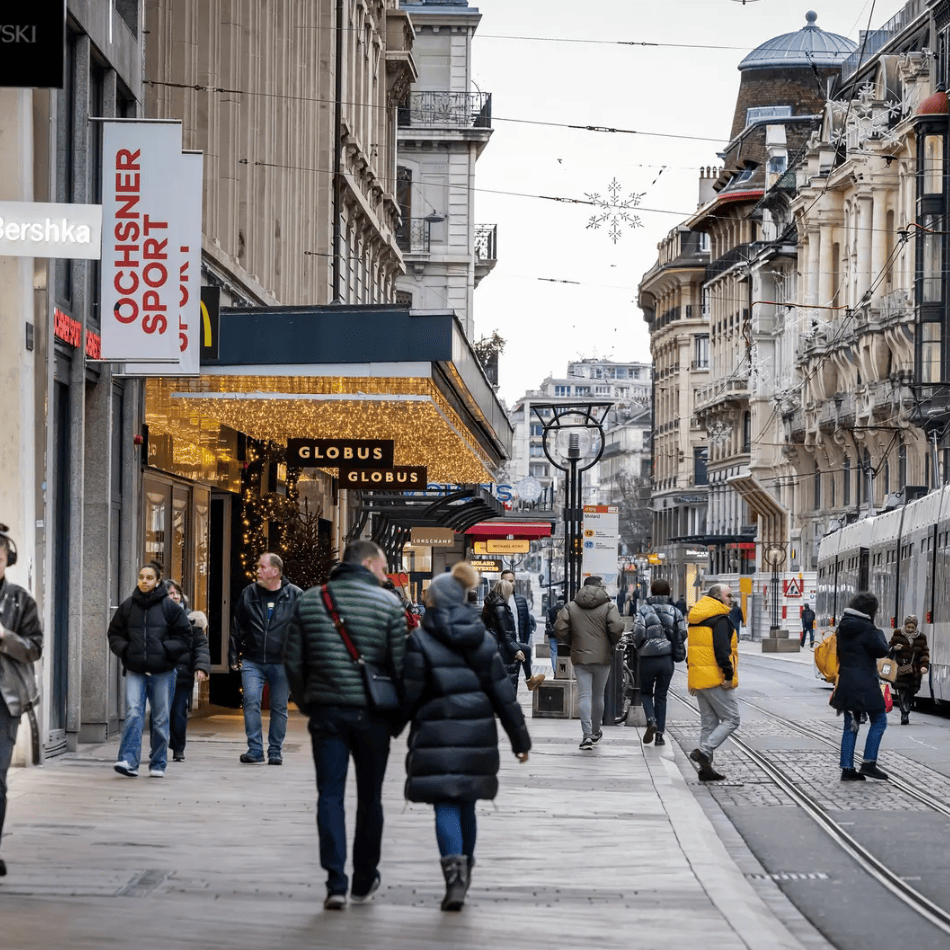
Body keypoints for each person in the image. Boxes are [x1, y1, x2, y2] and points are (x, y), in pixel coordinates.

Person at [283, 540, 407, 910]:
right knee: (370, 798)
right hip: (373, 716)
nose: (385, 575)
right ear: (369, 564)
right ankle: (364, 878)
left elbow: (292, 660)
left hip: (327, 713)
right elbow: (400, 669)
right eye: (384, 568)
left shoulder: (310, 600)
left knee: (330, 795)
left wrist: (309, 701)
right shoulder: (389, 604)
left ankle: (335, 881)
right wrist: (396, 718)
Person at [403, 562, 531, 911]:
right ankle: (467, 870)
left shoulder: (419, 640)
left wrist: (388, 727)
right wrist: (521, 741)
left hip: (434, 735)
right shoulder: (483, 639)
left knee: (444, 804)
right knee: (467, 804)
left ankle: (454, 876)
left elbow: (408, 694)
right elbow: (502, 693)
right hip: (477, 736)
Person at [108, 561, 193, 778]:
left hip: (162, 671)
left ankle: (158, 762)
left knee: (160, 718)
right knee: (134, 713)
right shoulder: (128, 606)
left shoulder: (169, 607)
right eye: (141, 577)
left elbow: (185, 636)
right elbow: (114, 633)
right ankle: (128, 760)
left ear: (157, 581)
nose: (144, 581)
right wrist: (125, 651)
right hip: (135, 670)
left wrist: (165, 651)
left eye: (149, 578)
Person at [229, 552, 302, 765]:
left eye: (262, 567)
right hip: (253, 660)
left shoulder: (295, 595)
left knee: (279, 707)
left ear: (275, 572)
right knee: (251, 700)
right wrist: (233, 654)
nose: (258, 571)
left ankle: (275, 751)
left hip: (282, 662)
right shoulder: (249, 593)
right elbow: (237, 626)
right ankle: (255, 749)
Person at [0, 525, 43, 877]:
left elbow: (34, 649)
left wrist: (4, 637)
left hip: (5, 700)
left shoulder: (19, 600)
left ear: (7, 559)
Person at [554, 576, 625, 750]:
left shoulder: (571, 606)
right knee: (598, 695)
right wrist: (610, 642)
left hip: (580, 656)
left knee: (584, 695)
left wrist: (572, 641)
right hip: (602, 657)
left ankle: (586, 736)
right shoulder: (608, 606)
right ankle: (595, 732)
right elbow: (616, 627)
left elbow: (559, 628)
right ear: (599, 587)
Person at [831, 591, 890, 780]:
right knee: (879, 719)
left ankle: (847, 769)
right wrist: (877, 630)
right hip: (866, 684)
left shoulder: (843, 626)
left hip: (847, 682)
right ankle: (869, 763)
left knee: (851, 725)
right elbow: (882, 650)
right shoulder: (868, 629)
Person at [686, 584, 740, 781]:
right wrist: (728, 675)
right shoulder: (720, 619)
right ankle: (704, 750)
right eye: (729, 595)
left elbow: (692, 649)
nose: (732, 598)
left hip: (700, 677)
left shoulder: (696, 618)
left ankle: (706, 770)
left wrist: (692, 678)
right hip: (716, 677)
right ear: (718, 597)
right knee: (732, 719)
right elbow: (722, 650)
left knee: (709, 724)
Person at [632, 578, 687, 747]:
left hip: (647, 658)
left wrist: (639, 645)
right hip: (666, 659)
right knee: (661, 696)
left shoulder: (644, 610)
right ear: (668, 592)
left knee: (646, 692)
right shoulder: (675, 611)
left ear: (652, 591)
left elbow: (638, 631)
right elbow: (683, 633)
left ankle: (651, 720)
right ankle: (660, 736)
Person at [165, 581, 211, 762]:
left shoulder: (193, 620)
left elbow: (201, 646)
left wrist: (201, 667)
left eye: (177, 593)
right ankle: (158, 748)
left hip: (182, 675)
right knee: (159, 714)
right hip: (160, 673)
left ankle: (178, 748)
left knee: (178, 712)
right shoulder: (156, 618)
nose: (175, 596)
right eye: (170, 593)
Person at [500, 569, 544, 690]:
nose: (509, 583)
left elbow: (525, 623)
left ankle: (528, 682)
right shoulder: (496, 601)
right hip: (502, 647)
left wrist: (523, 642)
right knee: (502, 680)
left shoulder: (521, 600)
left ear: (515, 582)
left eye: (511, 580)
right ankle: (530, 680)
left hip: (518, 645)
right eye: (506, 580)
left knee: (514, 679)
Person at [481, 580, 524, 692]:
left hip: (493, 645)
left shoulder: (489, 604)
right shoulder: (500, 607)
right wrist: (516, 649)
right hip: (502, 648)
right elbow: (505, 632)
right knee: (507, 680)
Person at [889, 614, 930, 726]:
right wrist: (894, 648)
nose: (910, 629)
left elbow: (924, 653)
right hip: (900, 668)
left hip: (915, 670)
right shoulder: (897, 634)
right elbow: (888, 648)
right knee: (902, 690)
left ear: (916, 627)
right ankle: (904, 713)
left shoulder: (921, 637)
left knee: (912, 691)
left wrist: (924, 666)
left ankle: (907, 708)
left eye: (913, 627)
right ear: (905, 625)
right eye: (908, 627)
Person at [545, 595, 565, 670]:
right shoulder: (567, 609)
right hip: (563, 635)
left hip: (552, 635)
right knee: (564, 652)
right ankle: (562, 670)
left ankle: (555, 671)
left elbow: (547, 623)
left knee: (554, 652)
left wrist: (551, 630)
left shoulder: (551, 610)